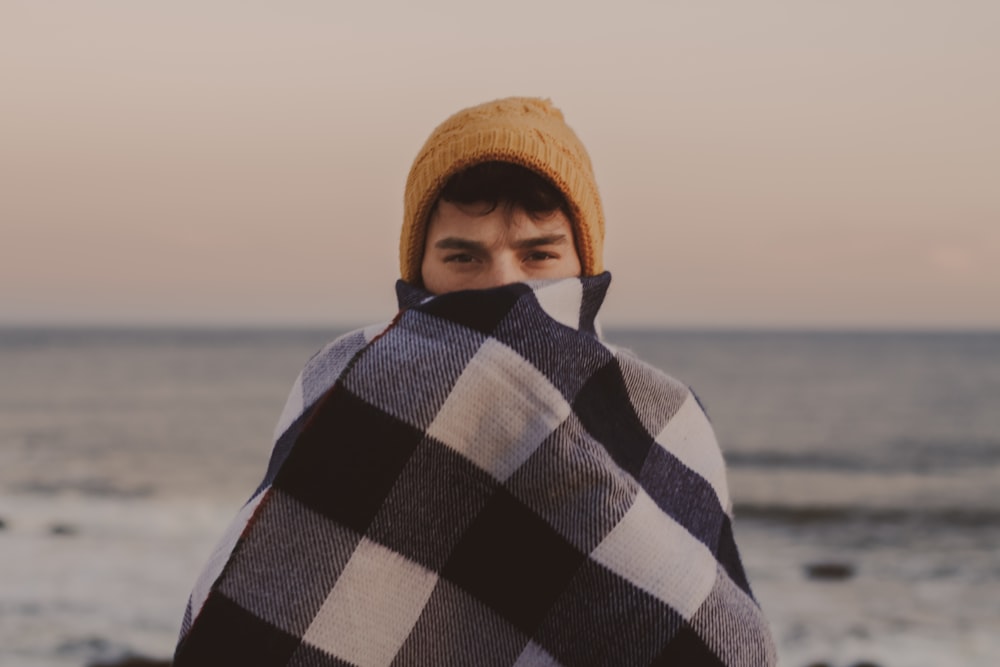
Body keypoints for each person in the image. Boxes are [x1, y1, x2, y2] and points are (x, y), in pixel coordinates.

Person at [174, 97, 776, 666]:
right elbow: (273, 605)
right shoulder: (350, 376)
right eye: (463, 258)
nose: (501, 287)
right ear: (418, 268)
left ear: (584, 265)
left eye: (538, 256)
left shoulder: (660, 414)